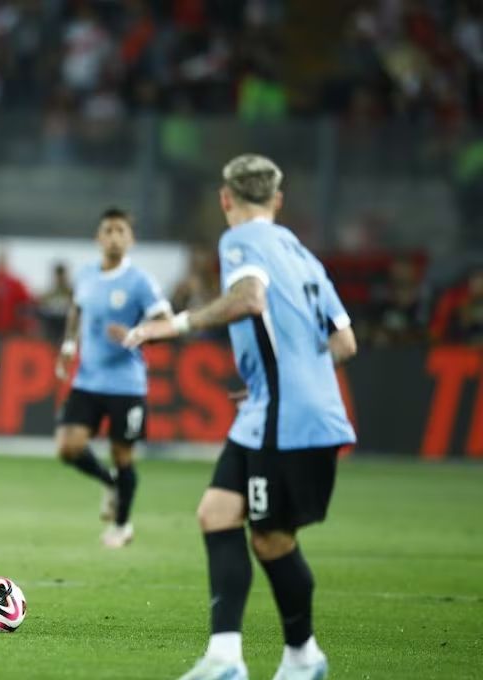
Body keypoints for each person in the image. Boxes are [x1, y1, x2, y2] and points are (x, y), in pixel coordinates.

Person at [123, 155, 358, 680]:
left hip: (287, 418)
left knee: (271, 538)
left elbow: (249, 298)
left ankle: (303, 657)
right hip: (273, 409)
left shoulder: (241, 241)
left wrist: (176, 324)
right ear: (278, 199)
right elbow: (344, 342)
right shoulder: (302, 254)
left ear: (226, 199)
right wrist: (282, 375)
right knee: (217, 513)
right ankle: (225, 658)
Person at [54, 207, 171, 549]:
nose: (115, 236)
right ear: (98, 237)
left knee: (123, 457)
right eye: (109, 230)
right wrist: (69, 344)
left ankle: (122, 526)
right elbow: (76, 308)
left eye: (122, 231)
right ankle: (110, 483)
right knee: (68, 447)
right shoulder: (86, 276)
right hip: (88, 380)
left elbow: (167, 322)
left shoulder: (140, 282)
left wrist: (137, 334)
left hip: (126, 385)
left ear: (130, 239)